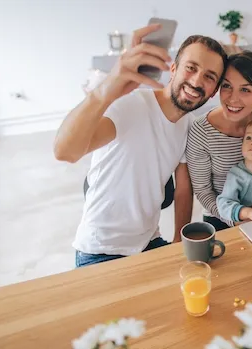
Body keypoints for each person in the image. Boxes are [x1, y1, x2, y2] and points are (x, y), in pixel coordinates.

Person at [53, 24, 228, 268]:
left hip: (149, 242)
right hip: (100, 250)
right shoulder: (130, 105)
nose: (197, 81)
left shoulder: (189, 125)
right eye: (191, 68)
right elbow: (65, 152)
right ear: (174, 69)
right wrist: (104, 92)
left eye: (209, 77)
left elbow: (183, 190)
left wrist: (180, 237)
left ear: (213, 93)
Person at [186, 50, 252, 231]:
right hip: (222, 219)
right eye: (226, 86)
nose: (233, 98)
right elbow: (203, 192)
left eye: (245, 89)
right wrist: (240, 217)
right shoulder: (201, 131)